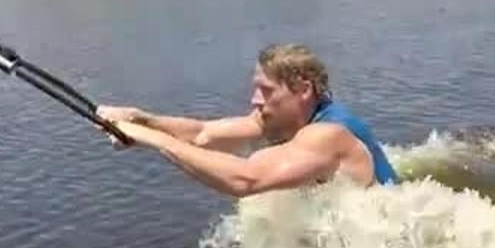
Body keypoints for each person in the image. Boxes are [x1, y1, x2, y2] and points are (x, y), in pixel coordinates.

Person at [97, 43, 398, 198]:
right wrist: (141, 119)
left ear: (303, 90)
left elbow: (246, 179)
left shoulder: (327, 135)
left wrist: (153, 139)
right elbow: (202, 134)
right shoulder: (279, 120)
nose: (255, 100)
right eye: (256, 89)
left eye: (266, 90)